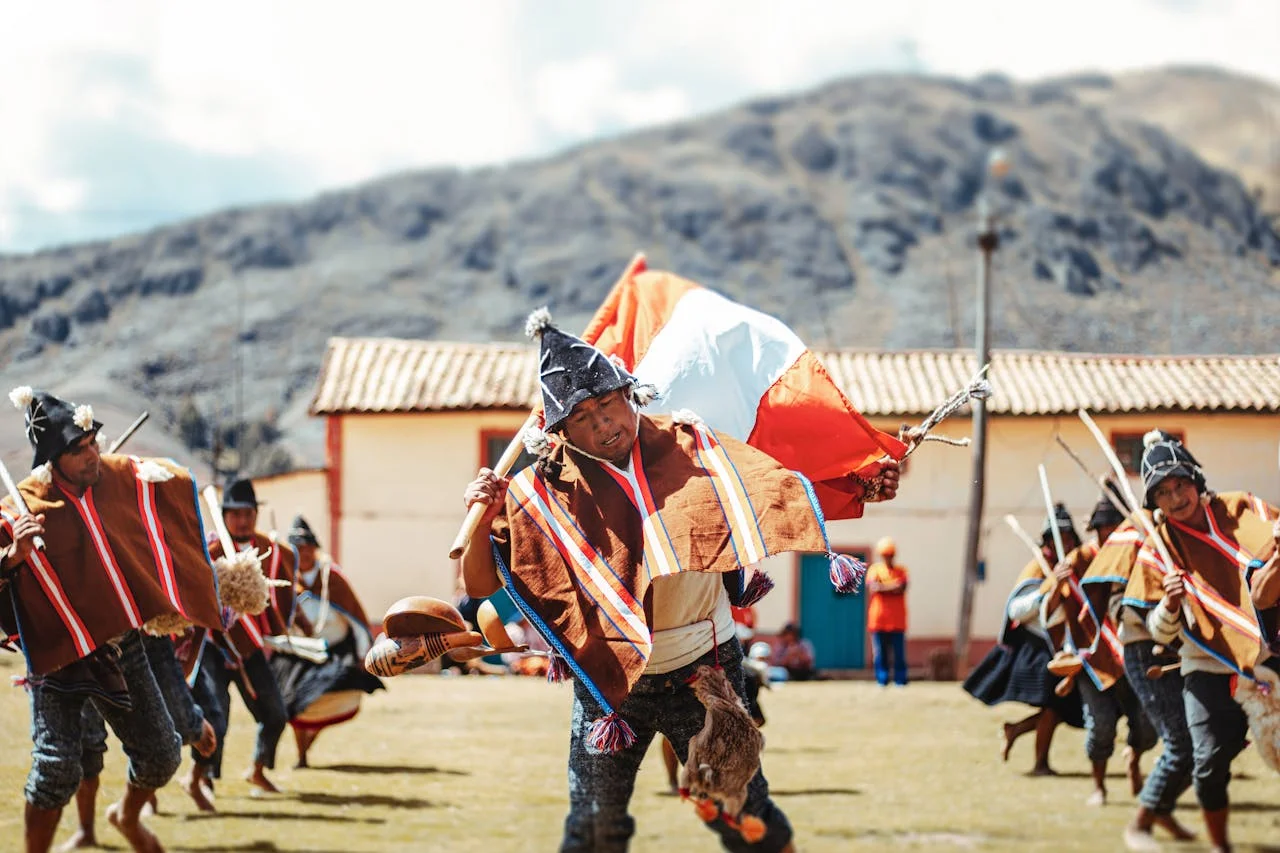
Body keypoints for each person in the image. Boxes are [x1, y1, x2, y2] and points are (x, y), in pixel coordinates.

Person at [460, 308, 899, 853]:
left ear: (630, 395)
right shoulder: (542, 493)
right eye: (581, 418)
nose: (602, 425)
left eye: (607, 404)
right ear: (560, 431)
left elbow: (773, 484)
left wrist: (858, 480)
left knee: (739, 805)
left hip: (705, 670)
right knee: (594, 824)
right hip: (610, 685)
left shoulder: (692, 446)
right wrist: (485, 517)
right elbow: (479, 584)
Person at [0, 388, 223, 853]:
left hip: (123, 645)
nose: (92, 455)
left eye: (93, 443)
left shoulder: (115, 480)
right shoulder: (22, 508)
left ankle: (125, 815)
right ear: (52, 459)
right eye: (78, 450)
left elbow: (163, 480)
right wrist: (12, 555)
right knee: (57, 767)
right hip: (59, 656)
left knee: (161, 756)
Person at [1126, 431, 1280, 853]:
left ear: (1196, 479)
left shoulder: (1238, 508)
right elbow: (1161, 635)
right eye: (1163, 492)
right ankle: (1220, 847)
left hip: (1269, 653)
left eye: (1180, 484)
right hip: (1207, 664)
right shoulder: (1158, 549)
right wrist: (1171, 605)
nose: (1176, 498)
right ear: (1154, 501)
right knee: (1209, 761)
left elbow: (1270, 547)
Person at [1081, 473, 1197, 849]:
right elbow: (1115, 608)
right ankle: (1140, 821)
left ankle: (1160, 809)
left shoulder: (1171, 537)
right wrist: (1156, 606)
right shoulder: (1125, 550)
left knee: (1200, 741)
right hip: (1139, 649)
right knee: (1175, 740)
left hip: (1181, 651)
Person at [190, 478, 307, 796]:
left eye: (248, 513)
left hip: (252, 646)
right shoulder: (209, 551)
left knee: (275, 713)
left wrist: (277, 631)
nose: (243, 520)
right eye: (236, 513)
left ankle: (257, 770)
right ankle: (204, 778)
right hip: (215, 646)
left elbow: (277, 593)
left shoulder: (267, 551)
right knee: (215, 716)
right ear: (225, 515)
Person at [1043, 493, 1157, 806]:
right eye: (1104, 527)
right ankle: (1099, 788)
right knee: (1101, 724)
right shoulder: (1079, 558)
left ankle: (1133, 757)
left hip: (1131, 652)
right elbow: (1045, 612)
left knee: (1147, 725)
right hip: (1090, 658)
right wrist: (1057, 583)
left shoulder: (1138, 553)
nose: (1110, 533)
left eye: (1114, 526)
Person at [64, 634, 218, 849]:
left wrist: (191, 656)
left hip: (135, 633)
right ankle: (86, 831)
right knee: (86, 745)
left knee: (168, 743)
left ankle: (127, 814)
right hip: (76, 642)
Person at [963, 502, 1084, 776]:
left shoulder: (1075, 564)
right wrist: (1047, 588)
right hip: (1036, 647)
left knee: (1061, 709)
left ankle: (1015, 730)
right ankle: (1040, 763)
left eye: (1067, 537)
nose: (1063, 542)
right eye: (1057, 537)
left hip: (1062, 647)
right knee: (1053, 707)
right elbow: (1017, 608)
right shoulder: (1037, 568)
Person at [271, 515, 384, 768]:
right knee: (295, 702)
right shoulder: (284, 580)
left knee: (336, 690)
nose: (303, 553)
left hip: (336, 651)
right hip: (299, 653)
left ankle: (309, 743)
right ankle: (302, 755)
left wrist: (364, 652)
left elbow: (355, 618)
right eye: (297, 549)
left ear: (315, 548)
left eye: (307, 547)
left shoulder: (332, 578)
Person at [866, 536, 909, 687]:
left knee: (899, 654)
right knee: (880, 654)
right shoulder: (875, 569)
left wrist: (883, 587)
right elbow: (873, 588)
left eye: (890, 554)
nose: (888, 557)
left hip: (897, 621)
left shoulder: (901, 570)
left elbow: (902, 587)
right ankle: (882, 680)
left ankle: (900, 681)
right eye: (885, 555)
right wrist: (893, 586)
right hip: (878, 620)